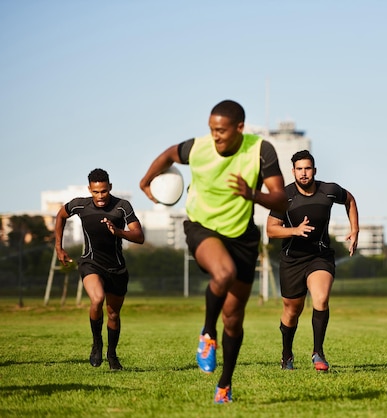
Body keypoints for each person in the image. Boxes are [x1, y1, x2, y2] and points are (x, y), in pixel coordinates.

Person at [139, 100, 287, 403]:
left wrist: (252, 194)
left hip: (242, 237)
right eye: (211, 129)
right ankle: (207, 334)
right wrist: (145, 182)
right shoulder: (198, 148)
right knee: (223, 273)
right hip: (202, 227)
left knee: (234, 319)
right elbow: (169, 154)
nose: (214, 136)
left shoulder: (261, 150)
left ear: (239, 129)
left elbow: (281, 200)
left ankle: (225, 385)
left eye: (220, 131)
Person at [266, 150, 359, 371]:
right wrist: (294, 230)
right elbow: (271, 230)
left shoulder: (329, 191)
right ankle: (286, 355)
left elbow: (350, 199)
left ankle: (318, 353)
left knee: (321, 298)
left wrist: (355, 229)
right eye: (299, 169)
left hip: (320, 256)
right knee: (292, 310)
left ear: (314, 170)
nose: (304, 173)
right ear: (293, 172)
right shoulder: (285, 196)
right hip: (292, 260)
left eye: (307, 168)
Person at [55, 168, 145, 371]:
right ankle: (97, 343)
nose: (100, 196)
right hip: (91, 263)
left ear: (110, 187)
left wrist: (118, 231)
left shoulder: (122, 207)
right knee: (97, 299)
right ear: (90, 189)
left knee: (113, 314)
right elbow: (60, 216)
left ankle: (112, 355)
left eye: (104, 191)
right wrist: (59, 247)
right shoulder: (80, 205)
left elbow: (139, 236)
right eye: (96, 192)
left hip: (117, 268)